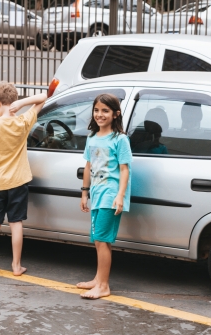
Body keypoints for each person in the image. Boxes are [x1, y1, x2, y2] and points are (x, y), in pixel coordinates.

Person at [0, 81, 47, 276]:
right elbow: (43, 97)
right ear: (13, 101)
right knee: (16, 223)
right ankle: (16, 266)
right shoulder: (23, 121)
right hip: (18, 181)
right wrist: (22, 103)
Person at [77, 93, 132, 299]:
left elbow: (124, 170)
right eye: (97, 110)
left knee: (102, 239)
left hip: (111, 195)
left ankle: (104, 286)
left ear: (116, 114)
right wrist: (84, 193)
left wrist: (120, 196)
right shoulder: (92, 137)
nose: (100, 115)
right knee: (99, 241)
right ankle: (98, 280)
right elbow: (88, 166)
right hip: (97, 194)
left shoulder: (120, 139)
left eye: (105, 111)